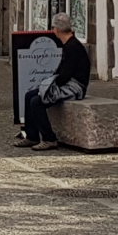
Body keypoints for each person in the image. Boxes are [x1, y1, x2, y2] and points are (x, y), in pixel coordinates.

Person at [15, 13, 91, 151]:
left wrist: (50, 87)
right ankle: (32, 136)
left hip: (75, 87)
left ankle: (49, 138)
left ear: (56, 30)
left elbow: (66, 74)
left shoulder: (72, 46)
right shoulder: (69, 44)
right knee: (29, 95)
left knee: (37, 101)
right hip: (67, 83)